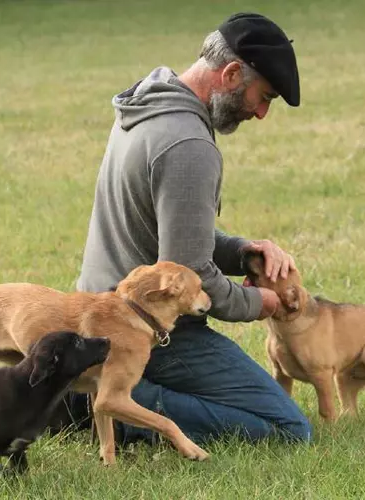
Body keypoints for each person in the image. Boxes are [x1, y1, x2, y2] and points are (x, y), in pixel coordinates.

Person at [69, 12, 312, 446]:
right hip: (144, 327)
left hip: (98, 311)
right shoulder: (188, 145)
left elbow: (168, 239)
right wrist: (261, 301)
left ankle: (86, 386)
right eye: (264, 97)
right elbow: (190, 265)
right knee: (288, 430)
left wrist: (241, 252)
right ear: (232, 72)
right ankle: (113, 405)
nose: (261, 113)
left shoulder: (148, 105)